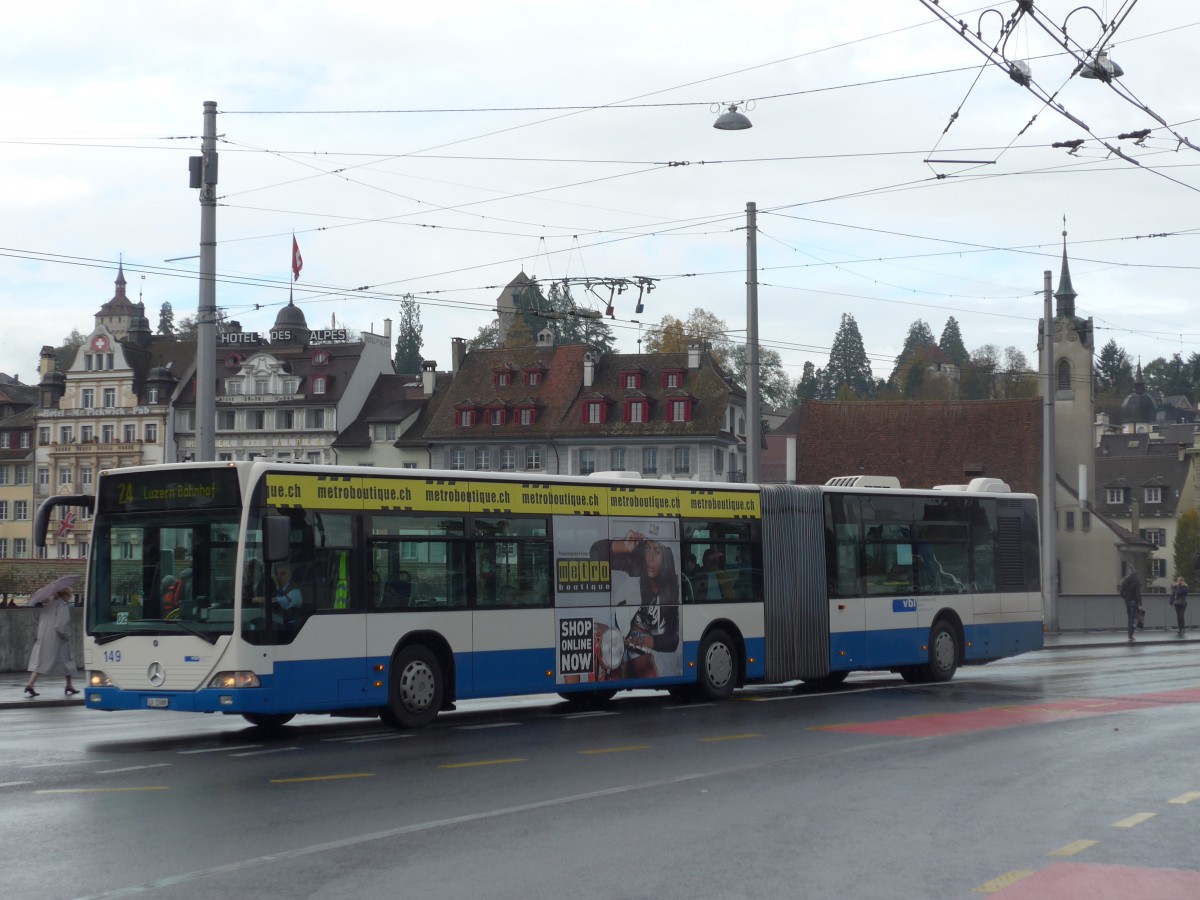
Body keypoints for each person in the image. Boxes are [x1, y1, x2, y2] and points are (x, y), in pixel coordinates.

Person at [591, 531, 681, 679]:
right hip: (613, 631)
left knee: (652, 678)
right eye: (648, 549)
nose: (650, 558)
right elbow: (594, 553)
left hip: (638, 646)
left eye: (657, 551)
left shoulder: (671, 588)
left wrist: (642, 641)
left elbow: (673, 639)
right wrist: (624, 546)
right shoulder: (638, 566)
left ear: (666, 557)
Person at [24, 587, 78, 697]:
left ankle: (30, 684)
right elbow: (61, 625)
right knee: (67, 661)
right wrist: (67, 635)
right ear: (65, 595)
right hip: (58, 640)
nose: (70, 597)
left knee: (40, 662)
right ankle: (69, 685)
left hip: (44, 638)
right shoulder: (62, 606)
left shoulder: (49, 605)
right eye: (69, 595)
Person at [1119, 569, 1142, 642]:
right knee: (1133, 618)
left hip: (1127, 602)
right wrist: (1140, 604)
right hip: (1134, 602)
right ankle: (1130, 635)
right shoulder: (1136, 581)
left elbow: (1121, 593)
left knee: (1129, 618)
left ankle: (1129, 635)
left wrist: (1126, 598)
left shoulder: (1125, 581)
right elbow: (1138, 594)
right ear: (1136, 574)